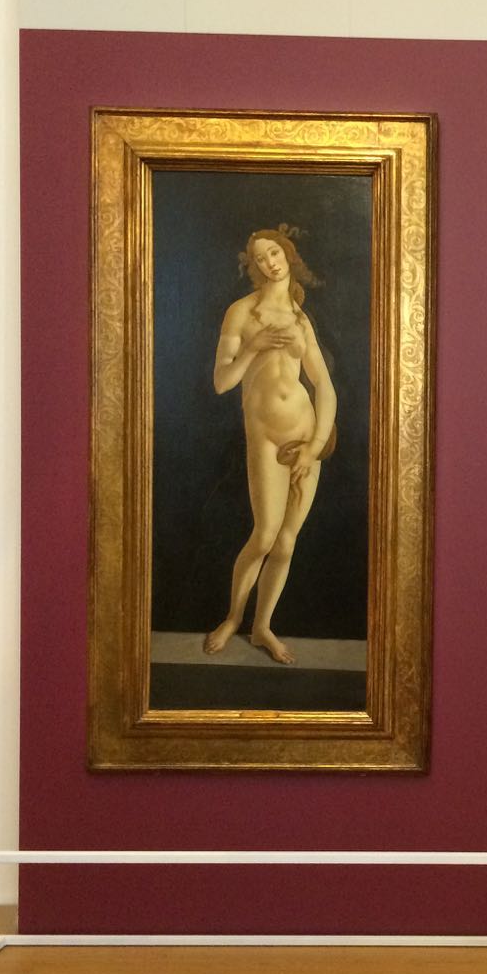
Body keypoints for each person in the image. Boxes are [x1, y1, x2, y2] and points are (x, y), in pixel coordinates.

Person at [202, 225, 337, 665]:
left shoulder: (300, 318)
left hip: (304, 435)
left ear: (287, 254)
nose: (269, 262)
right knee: (264, 535)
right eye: (260, 258)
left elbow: (324, 386)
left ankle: (262, 628)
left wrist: (315, 446)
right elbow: (221, 382)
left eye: (274, 252)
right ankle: (233, 618)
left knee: (287, 541)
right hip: (264, 437)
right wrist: (253, 347)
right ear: (253, 266)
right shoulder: (241, 313)